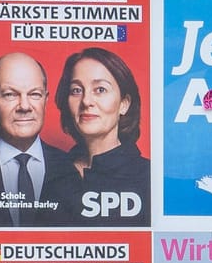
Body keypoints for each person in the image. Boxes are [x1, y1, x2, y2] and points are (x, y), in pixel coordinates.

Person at [0, 52, 80, 226]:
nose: (24, 106)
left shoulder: (71, 168)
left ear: (45, 100)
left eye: (34, 94)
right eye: (10, 94)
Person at [57, 47, 151, 225]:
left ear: (124, 104)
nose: (86, 101)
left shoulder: (149, 178)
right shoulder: (52, 172)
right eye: (76, 90)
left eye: (100, 89)